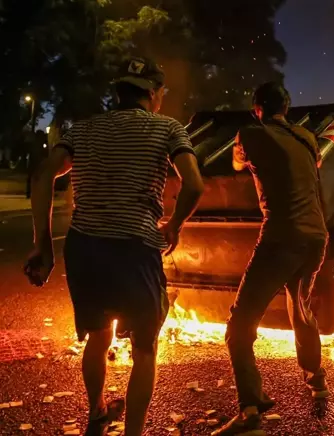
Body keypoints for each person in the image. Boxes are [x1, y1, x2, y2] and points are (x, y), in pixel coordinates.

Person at [24, 56, 204, 436]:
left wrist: (44, 246)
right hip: (134, 247)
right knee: (144, 348)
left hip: (85, 247)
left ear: (119, 91)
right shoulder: (168, 129)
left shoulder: (83, 130)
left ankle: (96, 412)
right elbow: (194, 184)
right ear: (153, 94)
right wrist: (174, 224)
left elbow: (43, 177)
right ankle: (134, 431)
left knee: (98, 334)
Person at [214, 82, 329, 436]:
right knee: (301, 308)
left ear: (257, 109)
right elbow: (315, 164)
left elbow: (235, 166)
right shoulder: (308, 138)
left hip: (281, 237)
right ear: (287, 108)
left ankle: (249, 409)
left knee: (239, 325)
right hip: (316, 237)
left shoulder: (250, 133)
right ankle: (317, 382)